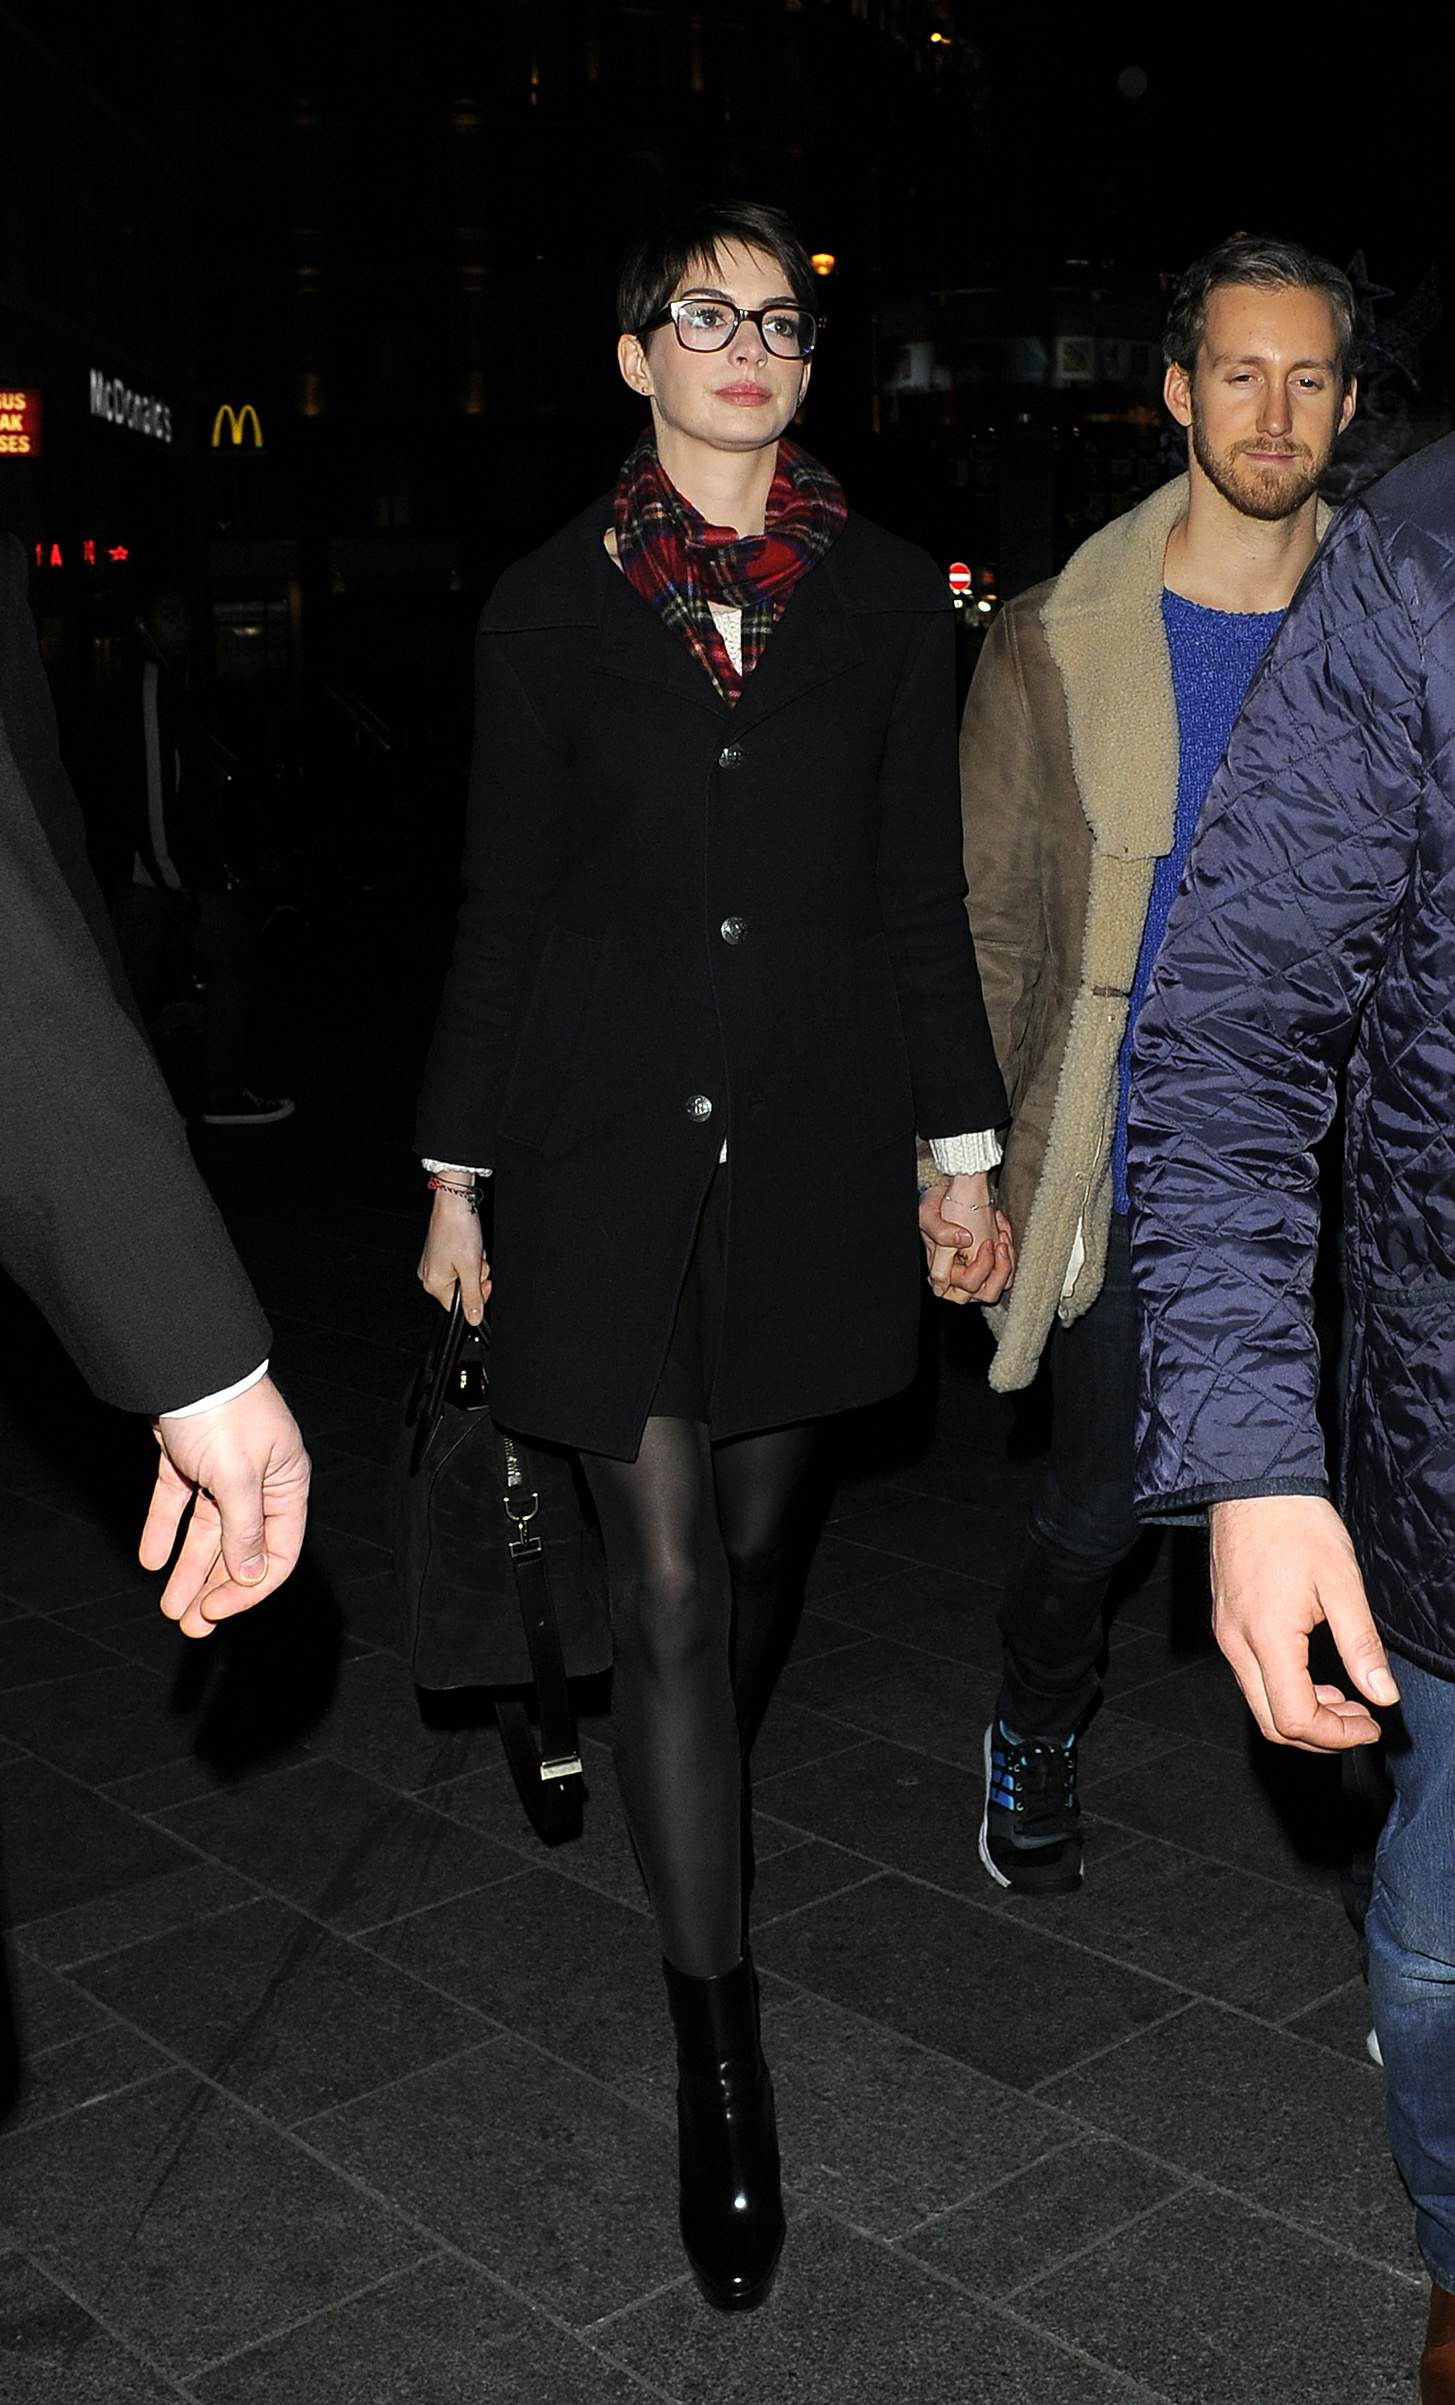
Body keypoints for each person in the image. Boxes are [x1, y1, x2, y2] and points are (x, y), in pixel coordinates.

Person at [413, 200, 1011, 2311]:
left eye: (776, 319)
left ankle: (681, 1774)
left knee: (746, 1577)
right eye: (703, 313)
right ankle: (719, 2042)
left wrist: (959, 1151)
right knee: (667, 1584)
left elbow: (915, 894)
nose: (743, 343)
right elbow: (502, 901)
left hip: (823, 1149)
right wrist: (452, 1167)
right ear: (632, 355)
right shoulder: (544, 614)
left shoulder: (875, 602)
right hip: (594, 1151)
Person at [921, 233, 1357, 1894]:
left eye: (1308, 374)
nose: (1274, 407)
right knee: (1100, 1506)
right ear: (1177, 391)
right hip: (1128, 1142)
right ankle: (1036, 1717)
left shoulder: (1398, 626)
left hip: (1350, 1145)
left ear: (1347, 398)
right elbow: (994, 932)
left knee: (1375, 1492)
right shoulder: (1051, 637)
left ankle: (1394, 1840)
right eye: (1239, 370)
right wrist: (960, 1166)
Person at [1129, 423, 1455, 2403]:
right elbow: (1235, 1014)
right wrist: (1249, 1447)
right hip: (1450, 1426)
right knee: (1436, 1947)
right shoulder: (1419, 563)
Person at [107, 584, 293, 1129]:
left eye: (182, 613)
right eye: (168, 613)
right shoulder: (150, 681)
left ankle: (126, 1103)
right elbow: (152, 790)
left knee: (131, 988)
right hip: (165, 867)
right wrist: (177, 875)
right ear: (142, 624)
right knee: (226, 965)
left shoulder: (173, 680)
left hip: (162, 867)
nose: (181, 624)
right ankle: (219, 1093)